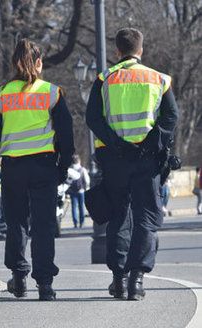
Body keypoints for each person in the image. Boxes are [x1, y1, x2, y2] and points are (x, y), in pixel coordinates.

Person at [86, 28, 178, 301]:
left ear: (117, 51)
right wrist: (150, 144)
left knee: (118, 217)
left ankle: (118, 279)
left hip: (116, 160)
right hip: (147, 160)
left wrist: (117, 145)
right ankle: (136, 280)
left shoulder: (105, 79)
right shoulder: (159, 79)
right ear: (141, 50)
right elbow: (171, 117)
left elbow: (93, 118)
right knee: (146, 219)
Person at [0, 39, 74, 301]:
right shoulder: (51, 93)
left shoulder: (1, 95)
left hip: (13, 169)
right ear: (39, 63)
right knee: (44, 226)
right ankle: (44, 285)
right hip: (44, 167)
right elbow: (66, 134)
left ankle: (19, 278)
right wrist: (64, 164)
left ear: (14, 63)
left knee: (16, 223)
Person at [67, 155, 90, 228]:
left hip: (73, 191)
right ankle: (82, 222)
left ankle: (75, 222)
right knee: (81, 207)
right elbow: (87, 180)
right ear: (79, 161)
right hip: (81, 190)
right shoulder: (82, 169)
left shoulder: (70, 170)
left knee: (74, 207)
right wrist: (86, 188)